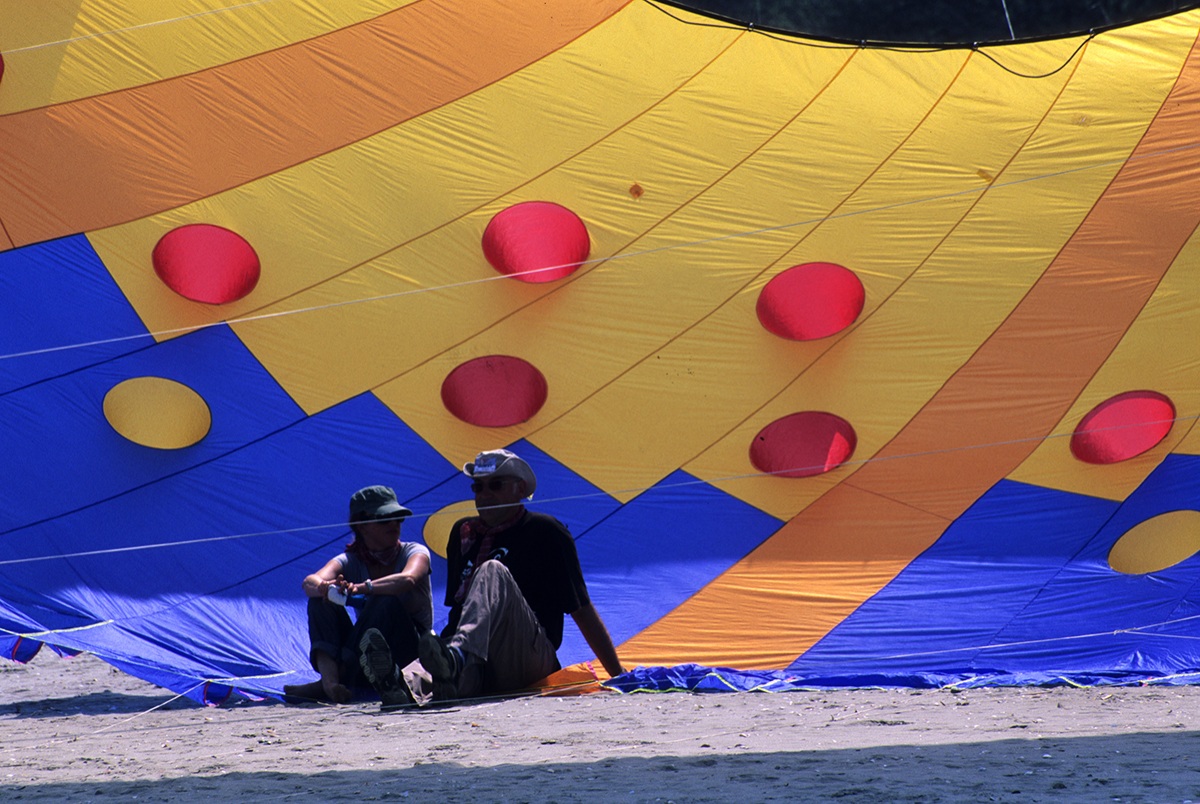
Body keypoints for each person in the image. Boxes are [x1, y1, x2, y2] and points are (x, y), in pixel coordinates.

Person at [416, 449, 624, 700]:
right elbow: (457, 611)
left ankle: (457, 658)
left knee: (492, 570)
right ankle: (409, 682)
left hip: (527, 657)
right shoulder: (464, 533)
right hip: (478, 661)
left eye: (495, 485)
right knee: (413, 676)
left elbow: (581, 610)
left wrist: (618, 674)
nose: (485, 495)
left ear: (520, 488)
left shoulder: (546, 532)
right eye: (478, 487)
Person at [283, 485, 432, 709]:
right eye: (385, 519)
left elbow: (407, 580)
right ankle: (332, 682)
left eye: (398, 518)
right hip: (364, 653)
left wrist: (360, 588)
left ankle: (332, 679)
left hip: (409, 650)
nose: (394, 525)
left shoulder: (414, 551)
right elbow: (309, 582)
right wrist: (327, 587)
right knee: (320, 602)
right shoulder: (351, 560)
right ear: (362, 525)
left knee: (385, 600)